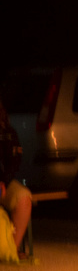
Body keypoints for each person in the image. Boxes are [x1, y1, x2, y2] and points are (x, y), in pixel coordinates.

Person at [0, 99, 32, 258]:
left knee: (24, 198)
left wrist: (4, 181)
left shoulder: (8, 133)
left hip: (3, 182)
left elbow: (14, 162)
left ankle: (11, 249)